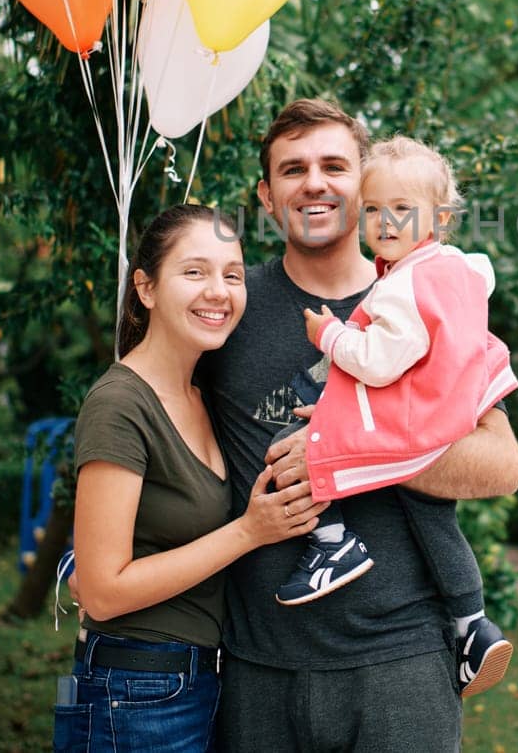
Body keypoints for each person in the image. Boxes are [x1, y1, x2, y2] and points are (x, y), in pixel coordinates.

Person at [198, 99, 518, 752]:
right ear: (267, 195)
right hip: (257, 663)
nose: (314, 182)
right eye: (293, 169)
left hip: (399, 662)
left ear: (365, 184)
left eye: (334, 165)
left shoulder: (424, 300)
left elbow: (501, 464)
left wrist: (357, 443)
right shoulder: (227, 307)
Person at [56, 204, 327, 753]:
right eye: (195, 272)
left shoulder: (201, 397)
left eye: (232, 274)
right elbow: (103, 590)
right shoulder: (121, 404)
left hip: (194, 680)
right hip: (133, 689)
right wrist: (250, 531)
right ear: (147, 288)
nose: (219, 291)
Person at [277, 135, 517, 700]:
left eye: (402, 210)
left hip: (412, 425)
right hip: (445, 415)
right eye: (375, 209)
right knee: (434, 516)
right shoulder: (453, 267)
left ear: (440, 218)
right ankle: (471, 626)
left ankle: (333, 541)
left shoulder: (400, 286)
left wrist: (330, 333)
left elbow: (380, 363)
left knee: (302, 438)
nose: (386, 222)